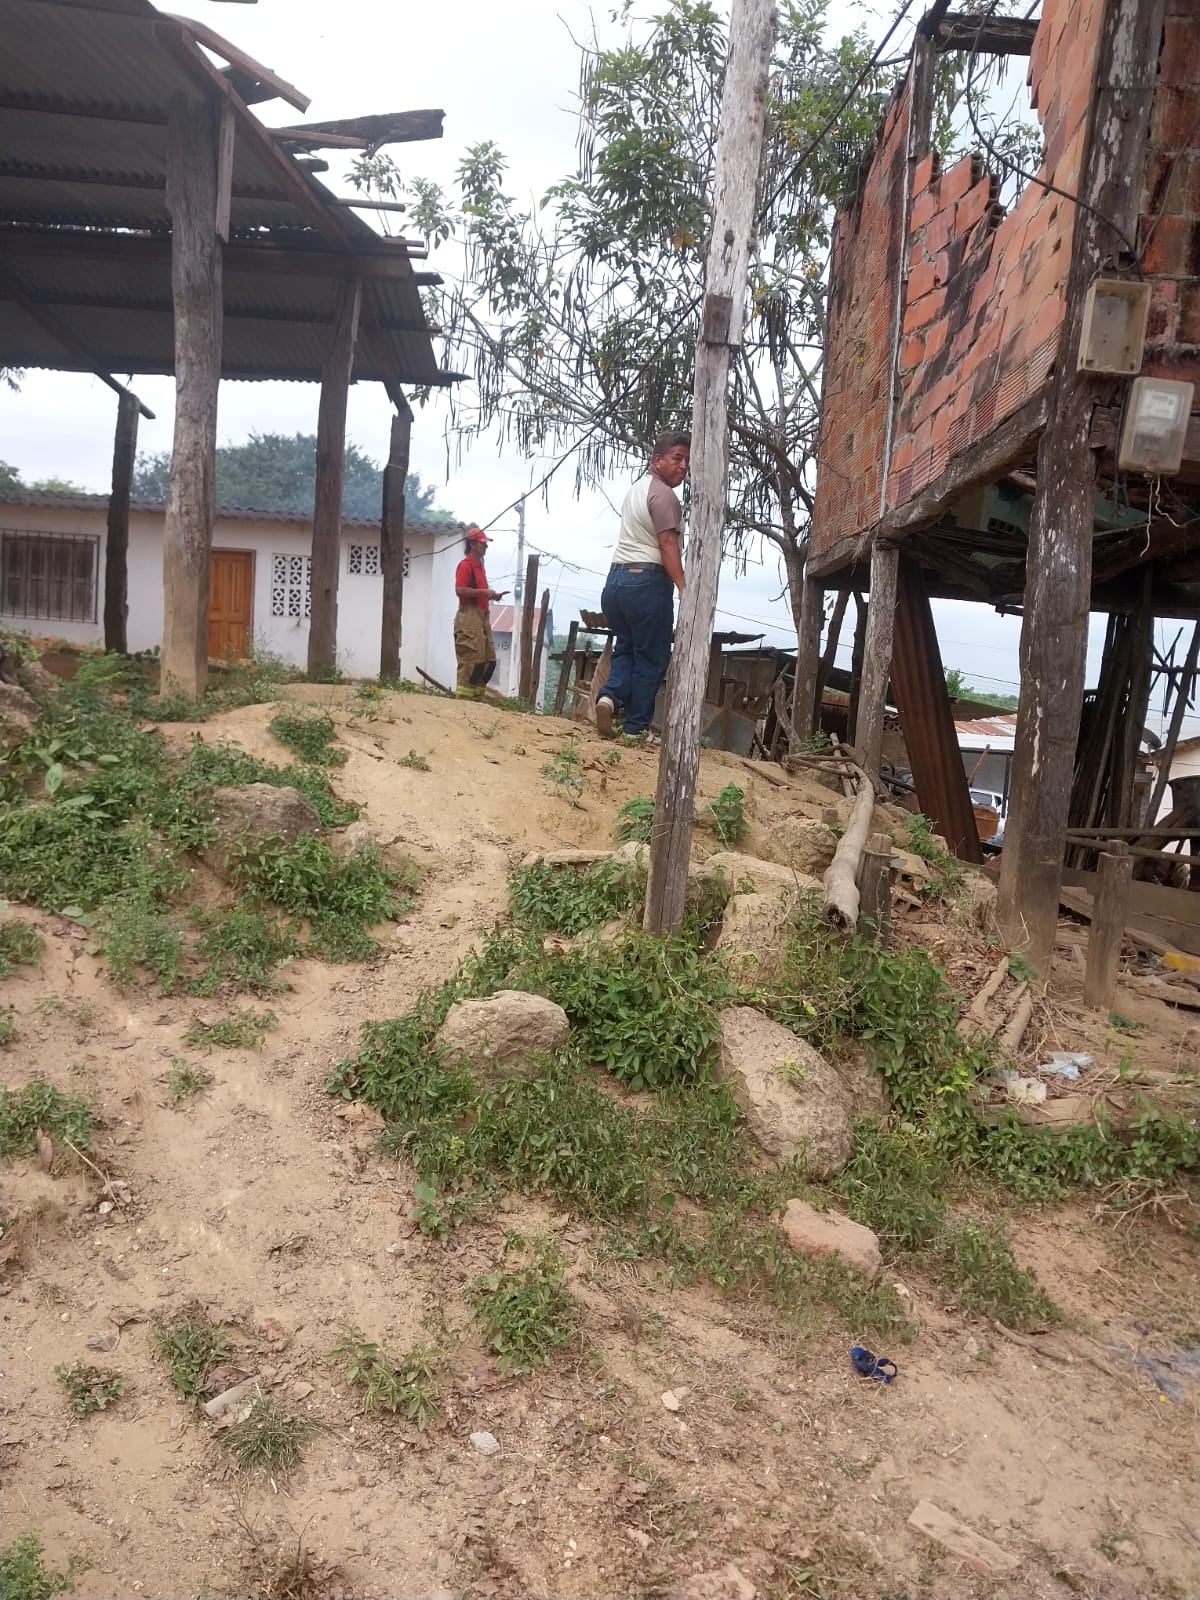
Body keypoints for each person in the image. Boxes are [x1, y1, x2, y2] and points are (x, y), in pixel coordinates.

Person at [594, 429, 690, 740]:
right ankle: (635, 729)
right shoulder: (664, 496)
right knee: (652, 657)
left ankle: (609, 698)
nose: (683, 466)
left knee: (626, 649)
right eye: (677, 458)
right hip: (646, 583)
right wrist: (683, 587)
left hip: (615, 583)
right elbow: (667, 544)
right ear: (657, 459)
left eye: (686, 461)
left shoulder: (636, 489)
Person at [453, 527, 506, 698]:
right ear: (473, 544)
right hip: (469, 618)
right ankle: (464, 698)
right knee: (472, 659)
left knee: (488, 661)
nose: (486, 547)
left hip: (482, 617)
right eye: (483, 544)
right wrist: (484, 592)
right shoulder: (465, 565)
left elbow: (478, 592)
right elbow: (460, 590)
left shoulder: (479, 567)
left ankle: (476, 697)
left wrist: (493, 596)